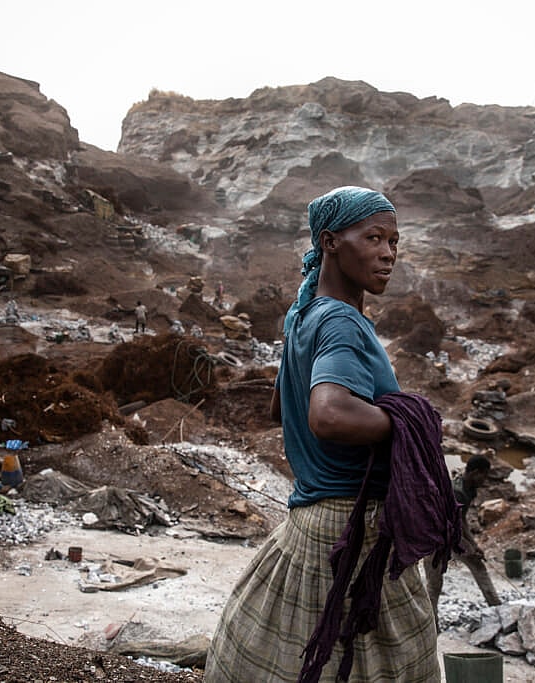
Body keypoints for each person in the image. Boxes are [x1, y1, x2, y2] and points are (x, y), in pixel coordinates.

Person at [205, 187, 446, 682]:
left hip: (309, 527)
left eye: (394, 241)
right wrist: (413, 421)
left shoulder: (304, 315)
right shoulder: (340, 322)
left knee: (291, 658)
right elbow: (328, 416)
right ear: (331, 242)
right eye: (374, 237)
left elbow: (280, 406)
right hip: (354, 533)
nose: (388, 253)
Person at [423, 454, 502, 628]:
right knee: (434, 584)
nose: (485, 480)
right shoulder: (457, 491)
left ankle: (498, 610)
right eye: (484, 475)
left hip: (452, 532)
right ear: (475, 472)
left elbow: (462, 520)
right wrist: (469, 547)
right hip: (435, 538)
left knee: (478, 566)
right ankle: (431, 626)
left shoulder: (469, 488)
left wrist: (474, 545)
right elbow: (454, 524)